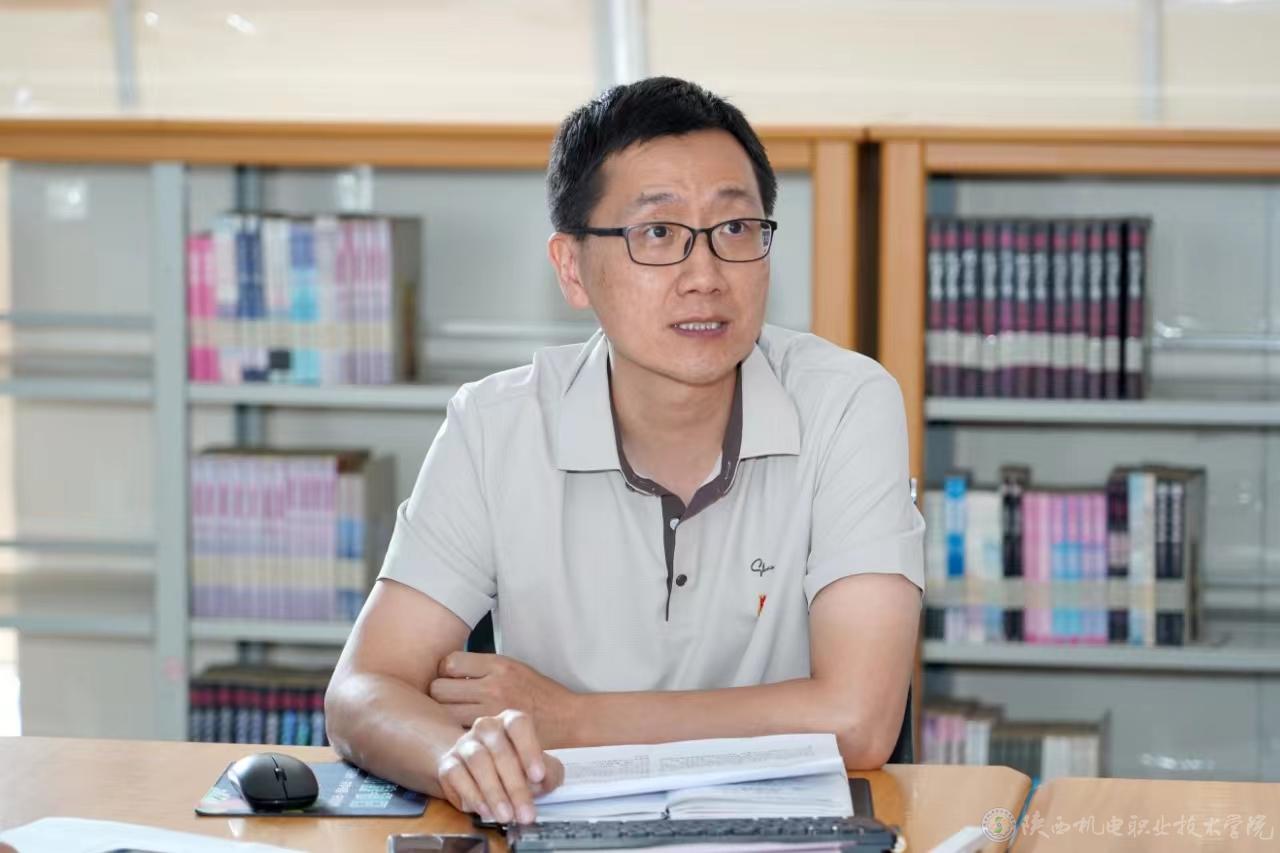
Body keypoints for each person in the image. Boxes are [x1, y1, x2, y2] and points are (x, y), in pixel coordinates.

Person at [325, 76, 924, 827]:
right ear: (572, 268)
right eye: (659, 233)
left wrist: (573, 718)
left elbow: (860, 719)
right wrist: (456, 758)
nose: (705, 276)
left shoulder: (846, 403)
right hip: (559, 829)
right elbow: (363, 690)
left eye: (737, 228)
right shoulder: (495, 426)